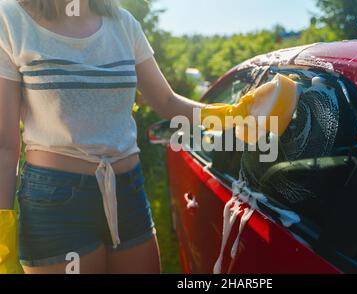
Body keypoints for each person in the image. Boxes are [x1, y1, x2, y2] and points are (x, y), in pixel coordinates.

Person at [0, 0, 205, 274]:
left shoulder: (123, 22)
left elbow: (167, 101)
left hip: (128, 191)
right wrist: (3, 224)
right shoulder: (11, 18)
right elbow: (5, 142)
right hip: (57, 204)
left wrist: (236, 116)